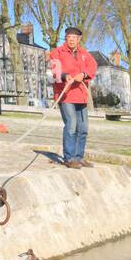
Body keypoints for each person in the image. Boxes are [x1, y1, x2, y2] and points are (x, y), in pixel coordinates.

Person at [49, 26, 97, 169]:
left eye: (74, 38)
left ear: (78, 39)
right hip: (66, 95)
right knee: (71, 125)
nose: (71, 40)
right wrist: (65, 76)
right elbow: (55, 70)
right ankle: (69, 158)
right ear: (66, 38)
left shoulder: (84, 53)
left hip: (81, 95)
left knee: (83, 128)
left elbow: (92, 66)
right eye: (69, 37)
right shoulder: (57, 52)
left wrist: (83, 75)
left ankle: (78, 157)